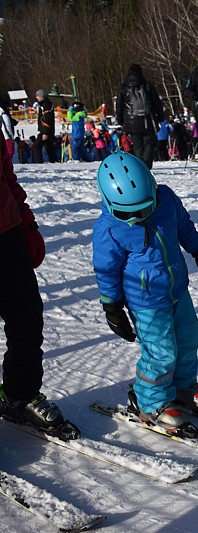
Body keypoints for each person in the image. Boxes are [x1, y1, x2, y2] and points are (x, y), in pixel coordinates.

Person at [92, 152, 198, 437]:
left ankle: (183, 384)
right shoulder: (108, 228)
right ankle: (151, 400)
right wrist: (111, 306)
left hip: (176, 289)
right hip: (145, 302)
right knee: (161, 353)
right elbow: (106, 269)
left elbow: (183, 225)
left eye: (145, 208)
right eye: (128, 214)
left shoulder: (167, 199)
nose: (138, 218)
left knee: (189, 338)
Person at [0, 129, 78, 440]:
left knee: (27, 317)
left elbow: (7, 177)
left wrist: (27, 223)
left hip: (7, 232)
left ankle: (19, 395)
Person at [116, 64, 164, 169]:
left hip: (131, 122)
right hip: (148, 120)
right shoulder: (148, 86)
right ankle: (146, 164)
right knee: (150, 143)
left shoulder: (124, 87)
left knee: (137, 145)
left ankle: (141, 166)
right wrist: (160, 117)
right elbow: (157, 103)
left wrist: (120, 121)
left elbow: (119, 106)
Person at [32, 90, 56, 164]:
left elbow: (46, 119)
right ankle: (53, 161)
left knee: (36, 146)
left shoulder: (46, 106)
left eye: (38, 96)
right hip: (48, 130)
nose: (36, 97)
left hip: (46, 130)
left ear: (42, 97)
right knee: (49, 147)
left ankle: (38, 162)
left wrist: (45, 132)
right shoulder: (44, 104)